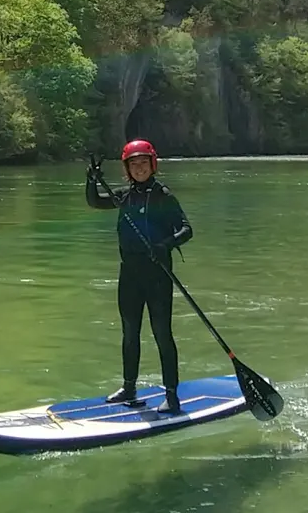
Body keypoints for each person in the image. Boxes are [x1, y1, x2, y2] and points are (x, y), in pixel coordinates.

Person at [85, 138, 192, 413]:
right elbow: (95, 202)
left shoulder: (163, 196)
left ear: (152, 164)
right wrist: (91, 180)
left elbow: (186, 229)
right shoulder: (125, 196)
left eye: (144, 162)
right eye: (134, 164)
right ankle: (129, 388)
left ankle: (172, 395)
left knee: (162, 334)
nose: (140, 168)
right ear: (127, 169)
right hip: (130, 275)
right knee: (130, 333)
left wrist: (165, 245)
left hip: (158, 275)